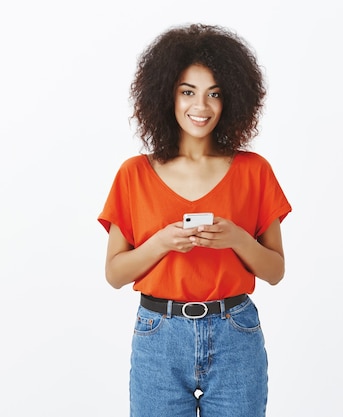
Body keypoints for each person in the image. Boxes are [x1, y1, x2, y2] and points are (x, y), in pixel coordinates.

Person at [98, 23, 291, 417]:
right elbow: (115, 274)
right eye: (188, 91)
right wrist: (161, 244)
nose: (200, 107)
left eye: (214, 94)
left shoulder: (254, 171)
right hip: (158, 336)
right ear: (166, 93)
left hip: (235, 334)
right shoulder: (134, 173)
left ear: (232, 99)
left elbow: (275, 271)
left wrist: (238, 239)